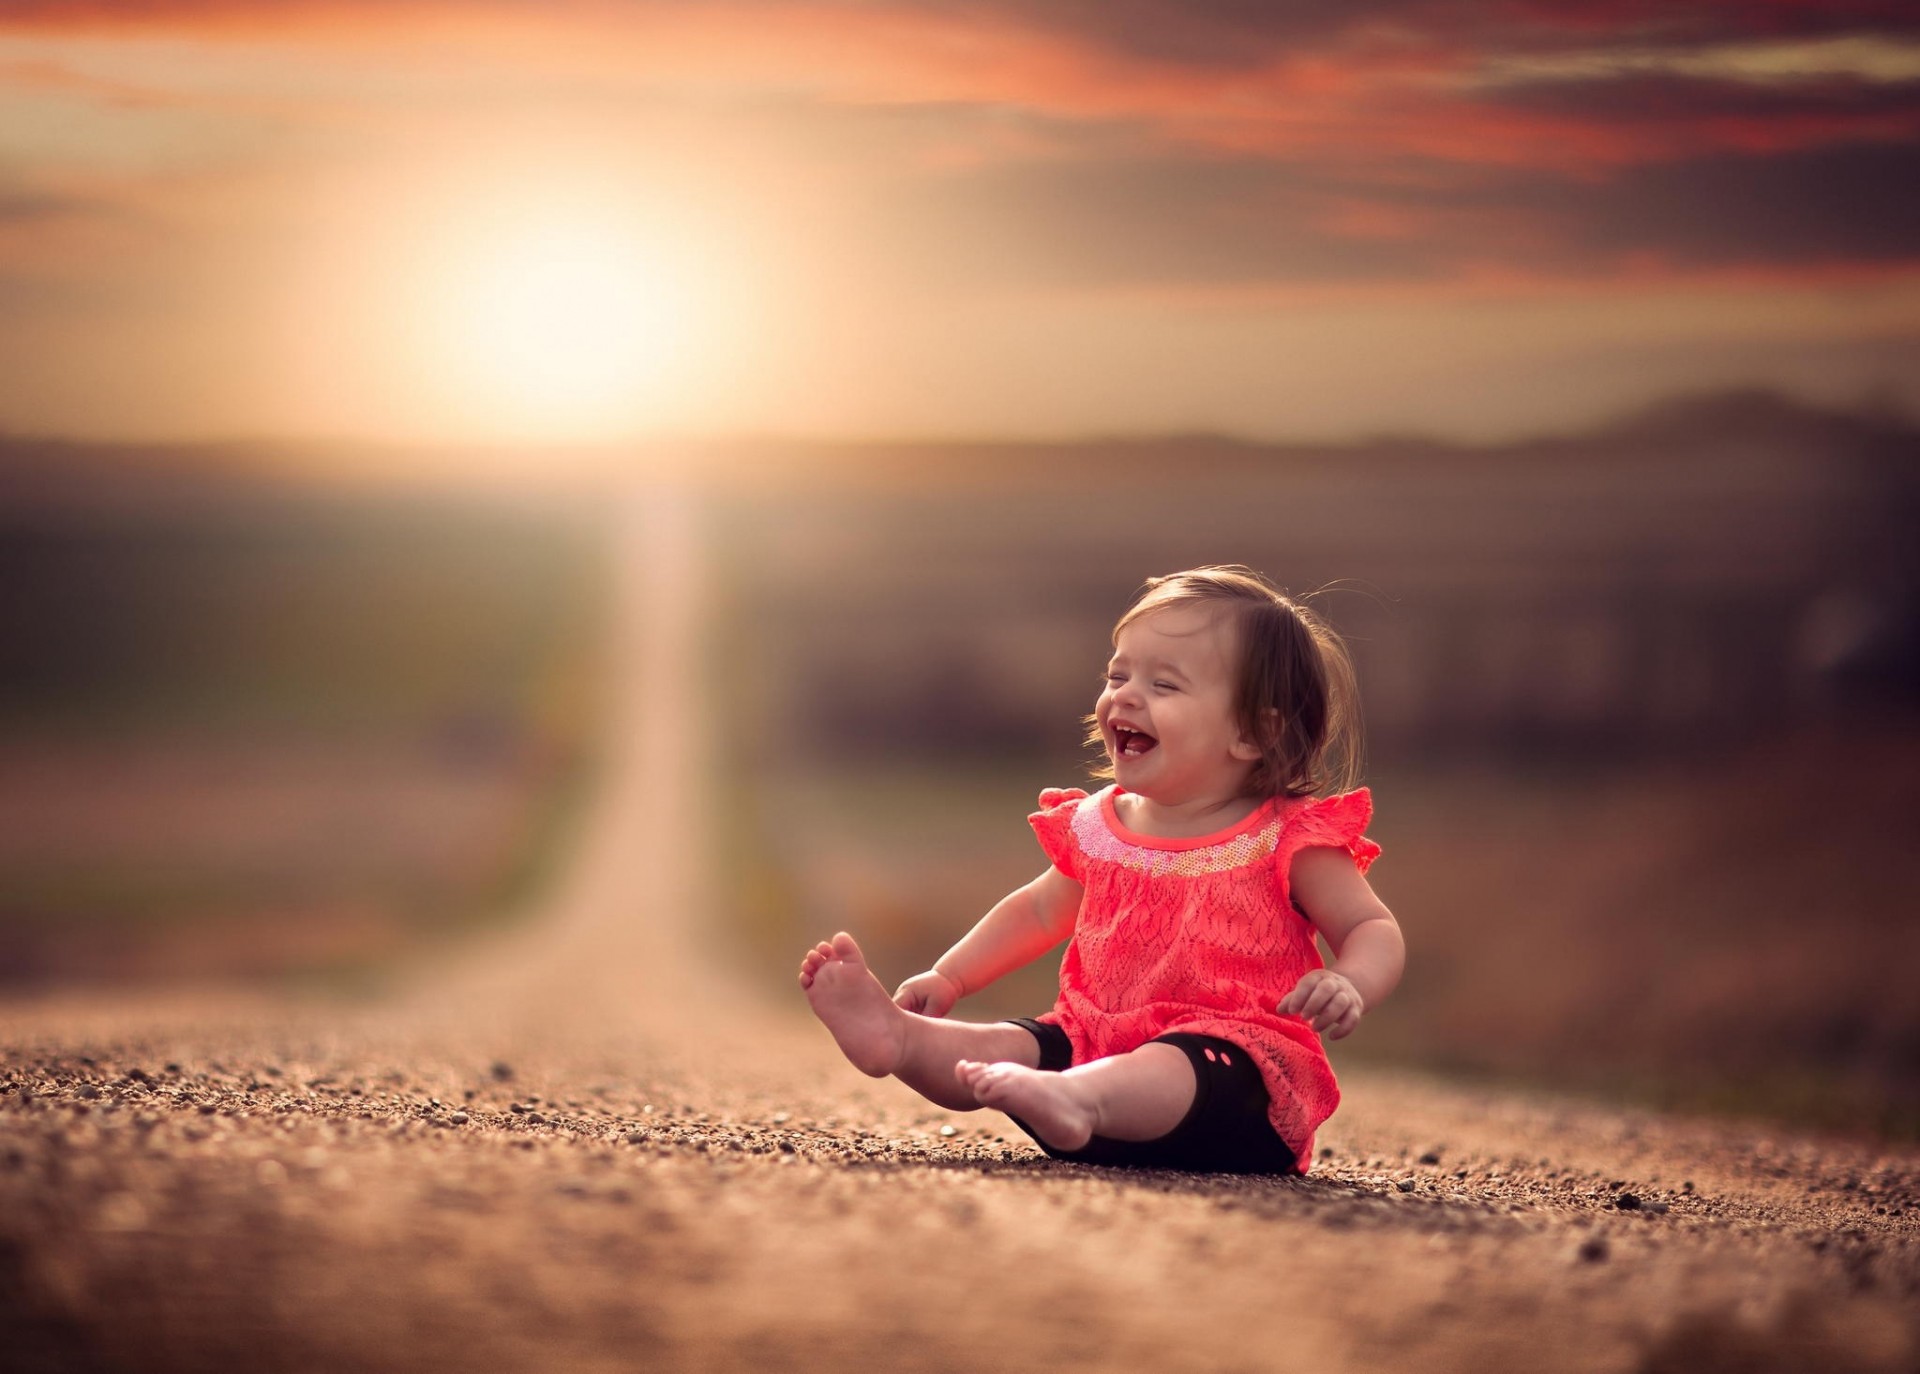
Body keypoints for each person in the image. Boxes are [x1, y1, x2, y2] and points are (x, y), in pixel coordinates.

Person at [798, 566, 1404, 1174]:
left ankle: (1078, 1096)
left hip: (1237, 1085)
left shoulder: (1284, 838)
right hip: (1092, 1048)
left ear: (1253, 732)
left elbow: (1370, 927)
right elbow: (1035, 911)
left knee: (1179, 1058)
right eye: (1118, 674)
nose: (1126, 695)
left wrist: (1351, 981)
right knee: (1019, 1043)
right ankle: (901, 1040)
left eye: (1164, 685)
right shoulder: (1100, 827)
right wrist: (950, 977)